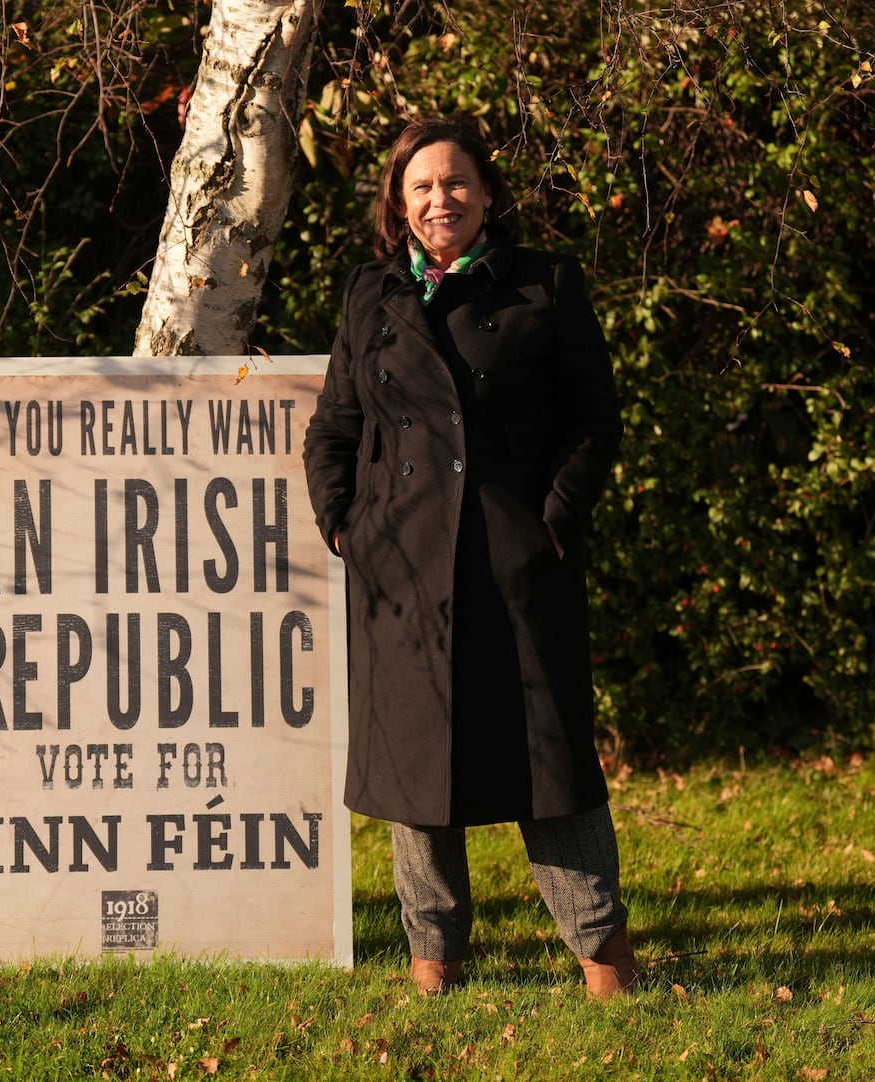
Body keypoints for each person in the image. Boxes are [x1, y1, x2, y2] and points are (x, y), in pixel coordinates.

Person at [303, 117, 640, 1001]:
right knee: (418, 775)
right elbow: (335, 425)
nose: (439, 199)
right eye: (420, 187)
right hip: (401, 566)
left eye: (455, 183)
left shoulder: (546, 283)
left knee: (551, 766)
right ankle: (434, 961)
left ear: (486, 193)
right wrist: (345, 523)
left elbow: (593, 420)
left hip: (514, 558)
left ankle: (603, 957)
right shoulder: (369, 295)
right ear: (397, 203)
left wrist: (555, 522)